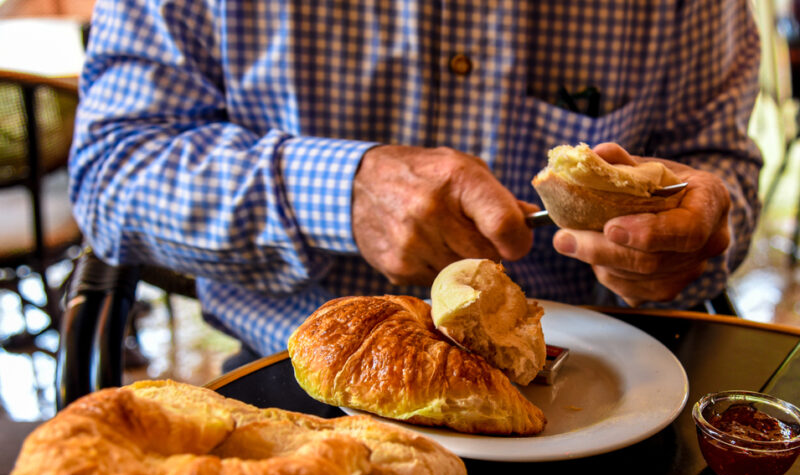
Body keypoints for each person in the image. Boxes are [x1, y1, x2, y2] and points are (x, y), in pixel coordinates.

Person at [69, 0, 763, 361]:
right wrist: (342, 191)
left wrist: (689, 234)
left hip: (597, 386)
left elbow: (715, 161)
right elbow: (112, 169)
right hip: (296, 380)